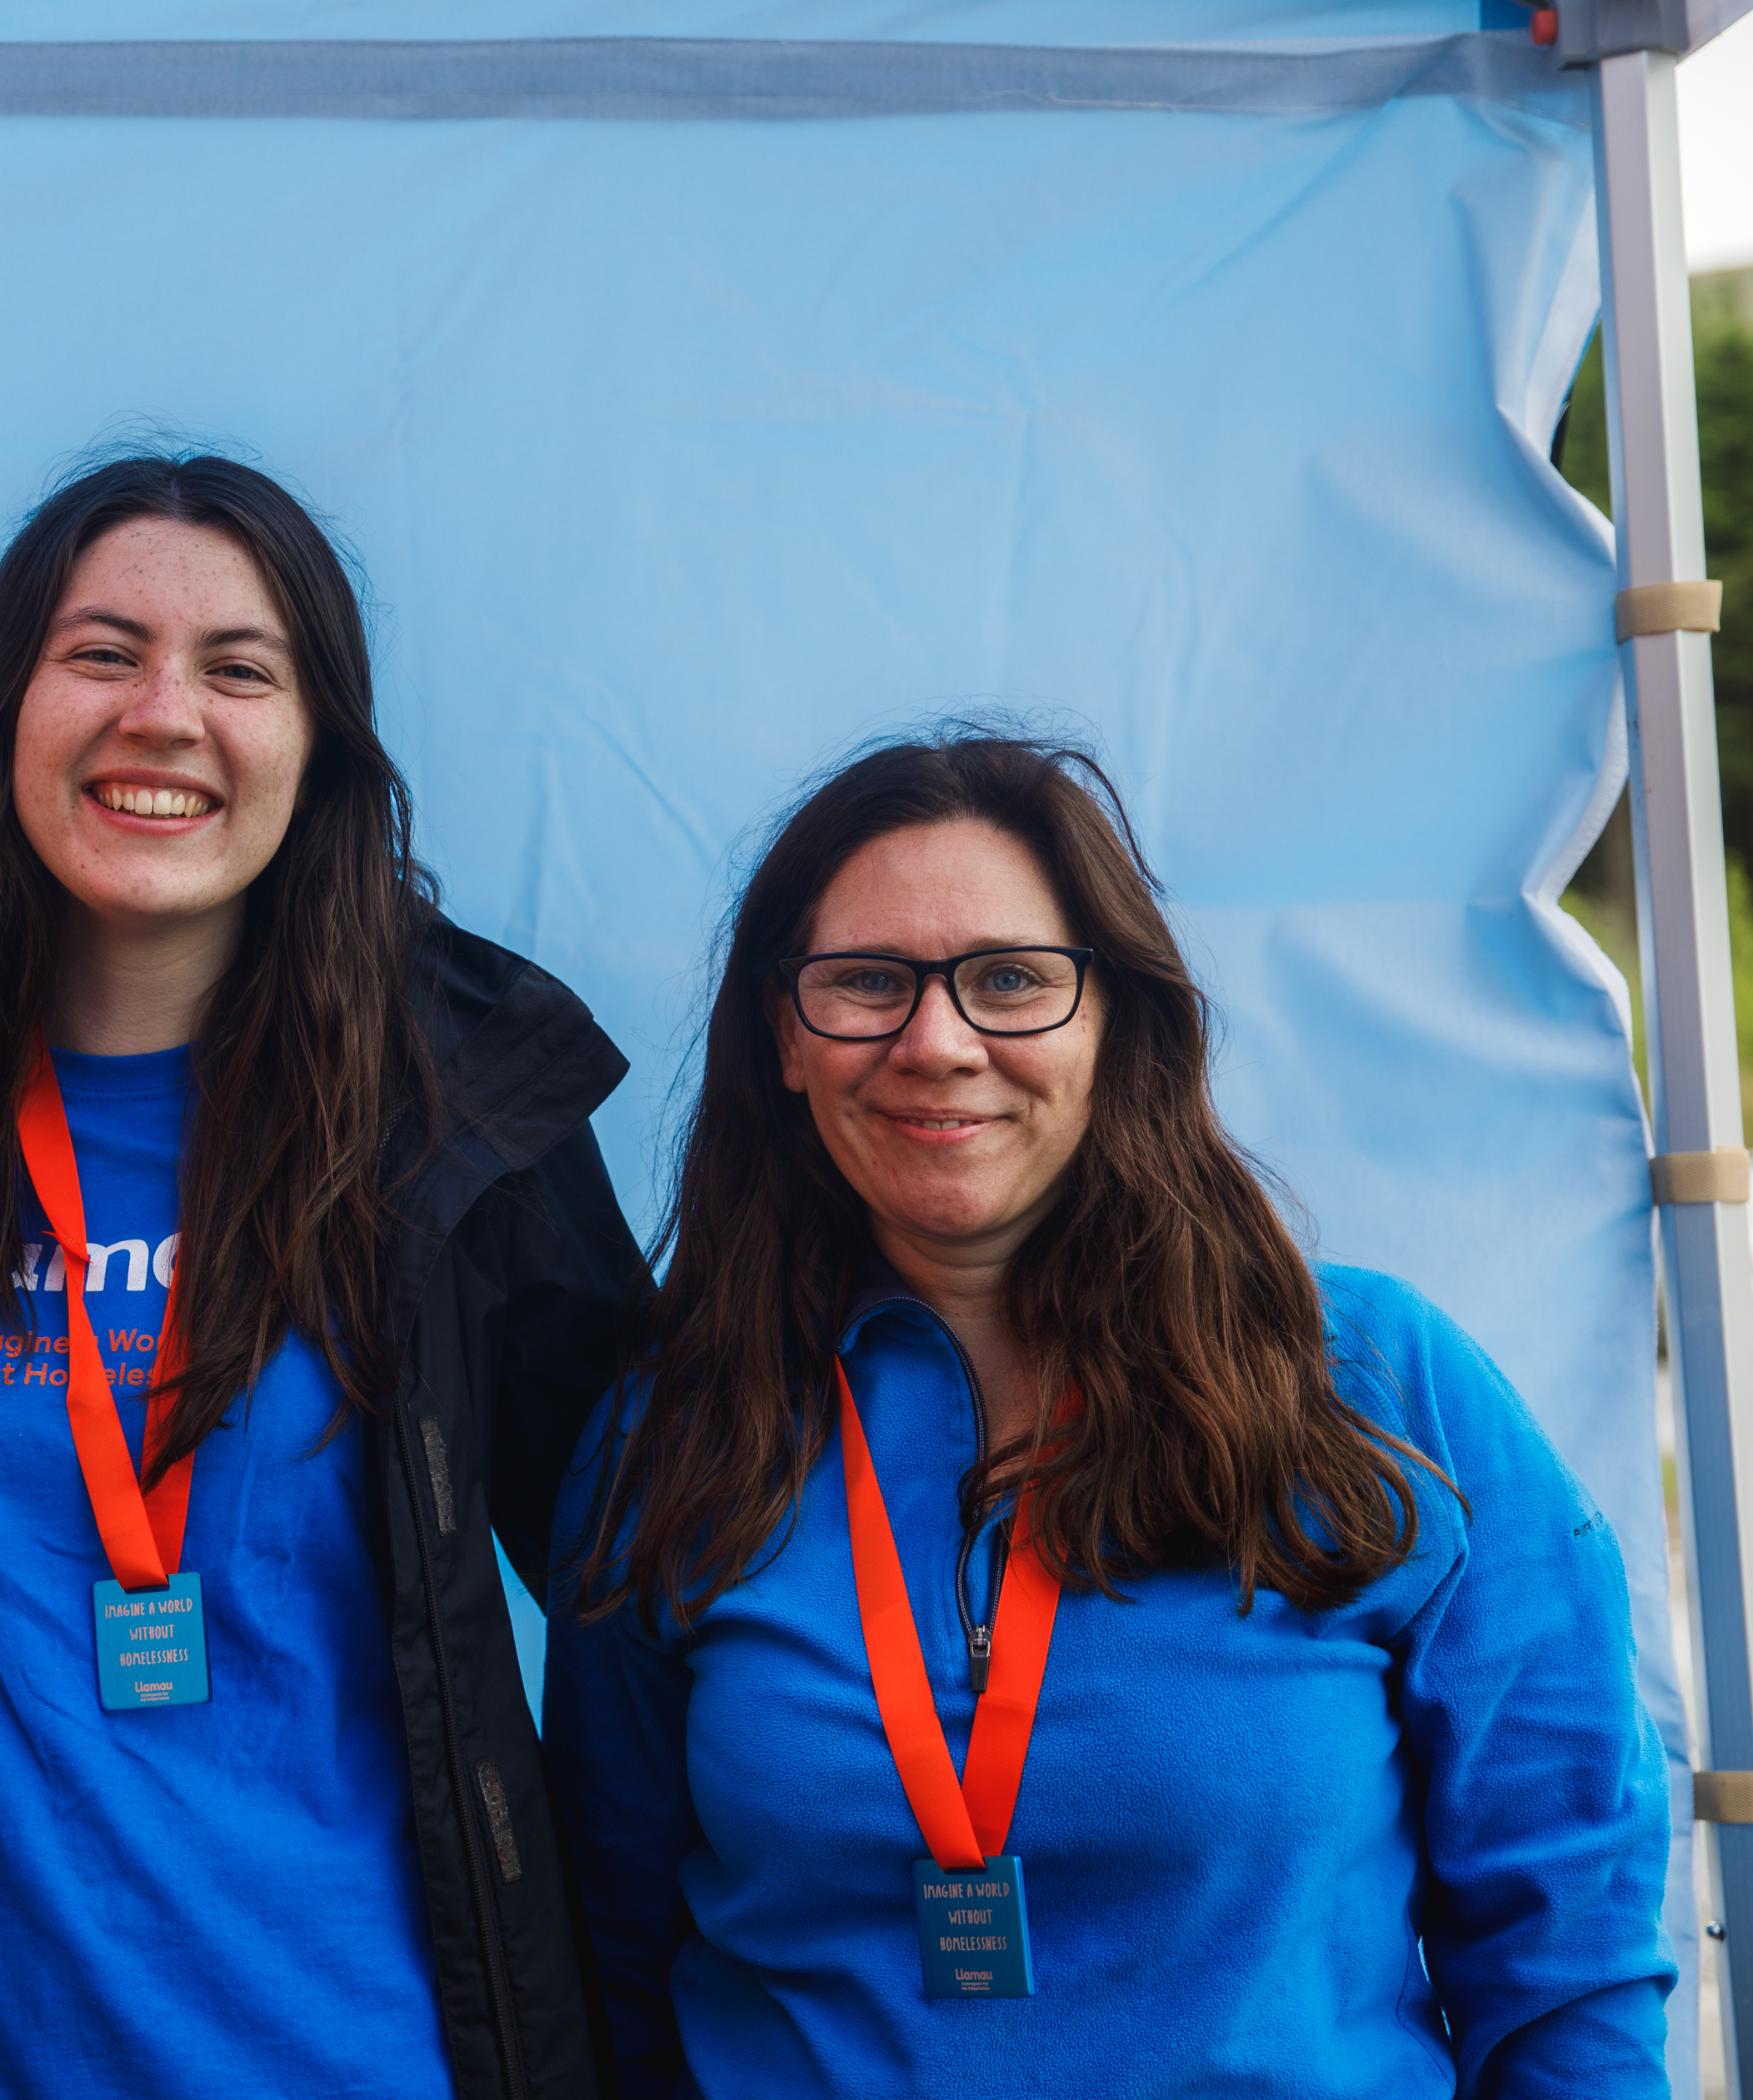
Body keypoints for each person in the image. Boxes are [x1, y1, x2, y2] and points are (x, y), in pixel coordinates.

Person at [0, 453, 642, 2100]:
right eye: (101, 652)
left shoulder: (459, 1126)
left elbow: (670, 1598)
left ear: (316, 744)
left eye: (239, 667)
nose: (162, 713)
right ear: (5, 712)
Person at [542, 732, 1673, 2098]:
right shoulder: (671, 1434)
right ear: (786, 1036)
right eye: (865, 984)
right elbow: (615, 1960)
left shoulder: (1375, 1386)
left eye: (1011, 980)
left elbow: (1570, 1956)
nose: (937, 1043)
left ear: (1115, 1021)